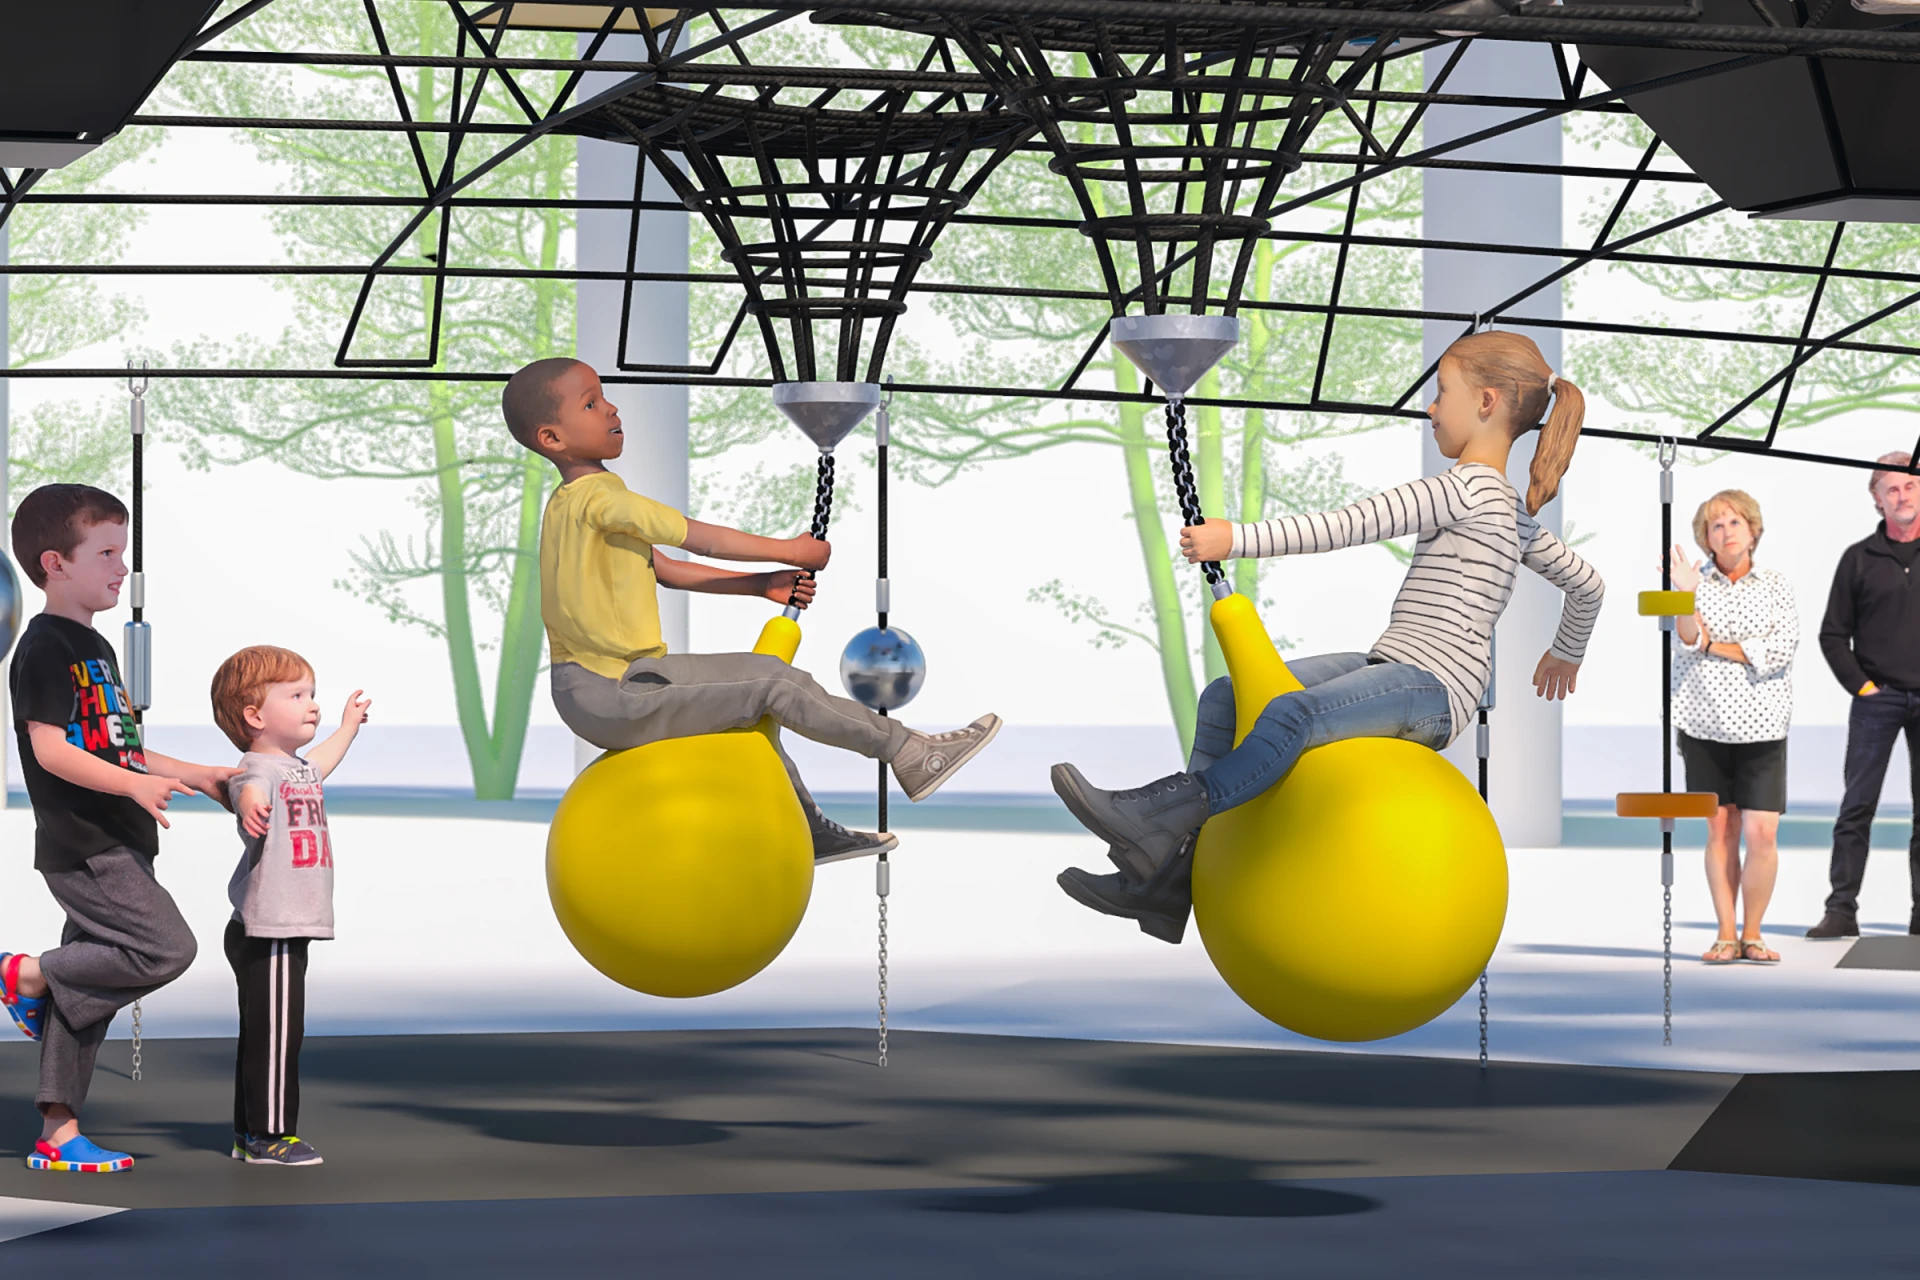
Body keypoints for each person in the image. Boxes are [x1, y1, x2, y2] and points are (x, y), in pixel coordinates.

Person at [1052, 331, 1605, 943]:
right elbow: (1588, 586)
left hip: (1433, 692)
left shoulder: (1461, 489)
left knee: (1290, 716)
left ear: (1486, 403)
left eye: (1441, 392)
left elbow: (1346, 525)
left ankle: (1162, 817)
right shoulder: (1513, 515)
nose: (1430, 407)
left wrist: (1233, 539)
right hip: (1392, 662)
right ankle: (1167, 885)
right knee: (1225, 698)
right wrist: (1565, 652)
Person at [505, 358, 1000, 856]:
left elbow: (666, 570)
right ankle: (910, 752)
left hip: (592, 691)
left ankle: (807, 828)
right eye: (591, 403)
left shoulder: (566, 506)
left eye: (604, 395)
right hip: (616, 689)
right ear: (552, 439)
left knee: (754, 711)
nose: (611, 407)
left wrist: (761, 584)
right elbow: (700, 540)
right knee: (773, 682)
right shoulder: (603, 499)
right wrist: (792, 551)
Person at [0, 485, 236, 1174]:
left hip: (119, 838)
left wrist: (197, 773)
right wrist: (135, 786)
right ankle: (28, 972)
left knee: (88, 998)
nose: (120, 567)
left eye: (122, 553)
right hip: (87, 844)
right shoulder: (44, 648)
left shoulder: (94, 646)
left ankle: (58, 1132)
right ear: (55, 564)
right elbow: (48, 749)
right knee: (164, 948)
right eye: (105, 552)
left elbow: (119, 748)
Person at [210, 645, 369, 1167]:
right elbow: (245, 787)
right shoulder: (258, 768)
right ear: (255, 716)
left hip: (284, 926)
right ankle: (271, 1133)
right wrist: (250, 802)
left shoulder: (297, 767)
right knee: (278, 1032)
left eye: (312, 695)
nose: (312, 705)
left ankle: (248, 1131)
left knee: (265, 1029)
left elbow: (321, 761)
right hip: (269, 928)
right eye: (297, 695)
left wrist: (347, 727)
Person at [1667, 491, 1797, 965]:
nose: (1726, 531)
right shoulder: (1690, 581)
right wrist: (1684, 598)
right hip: (1703, 725)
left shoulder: (1776, 584)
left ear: (1753, 529)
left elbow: (1780, 649)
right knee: (1720, 832)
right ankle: (1726, 933)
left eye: (1734, 522)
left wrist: (1712, 643)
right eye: (1716, 526)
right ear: (1706, 538)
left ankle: (1754, 933)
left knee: (1762, 833)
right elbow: (1685, 640)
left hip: (1763, 726)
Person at [1808, 451, 1920, 940]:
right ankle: (1841, 910)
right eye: (1891, 488)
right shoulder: (1858, 559)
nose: (1903, 495)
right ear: (1877, 500)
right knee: (1857, 807)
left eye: (1911, 485)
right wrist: (1864, 688)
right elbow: (1833, 634)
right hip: (1877, 700)